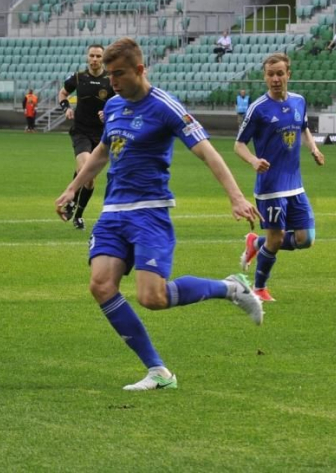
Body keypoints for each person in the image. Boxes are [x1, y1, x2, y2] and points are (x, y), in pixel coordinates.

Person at [54, 37, 263, 391]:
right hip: (113, 213)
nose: (113, 81)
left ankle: (230, 288)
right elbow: (103, 151)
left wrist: (236, 197)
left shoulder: (165, 106)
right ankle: (158, 372)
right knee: (101, 286)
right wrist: (73, 188)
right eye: (109, 74)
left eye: (119, 74)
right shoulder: (116, 106)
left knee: (153, 298)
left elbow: (208, 153)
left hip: (150, 213)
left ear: (140, 69)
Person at [236, 53, 326, 302]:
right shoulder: (258, 109)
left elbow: (304, 128)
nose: (275, 79)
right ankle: (259, 288)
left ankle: (255, 243)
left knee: (306, 238)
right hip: (270, 187)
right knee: (276, 239)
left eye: (279, 73)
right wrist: (254, 160)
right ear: (265, 76)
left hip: (295, 184)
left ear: (289, 74)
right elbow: (239, 145)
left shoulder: (299, 101)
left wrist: (314, 149)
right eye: (270, 74)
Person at [57, 44, 115, 230]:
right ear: (87, 57)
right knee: (85, 165)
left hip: (102, 134)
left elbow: (121, 103)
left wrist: (109, 115)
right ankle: (72, 201)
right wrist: (66, 108)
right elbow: (63, 93)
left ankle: (78, 213)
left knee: (90, 179)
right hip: (81, 131)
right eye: (92, 55)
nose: (95, 59)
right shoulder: (78, 78)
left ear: (103, 58)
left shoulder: (111, 80)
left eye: (98, 56)